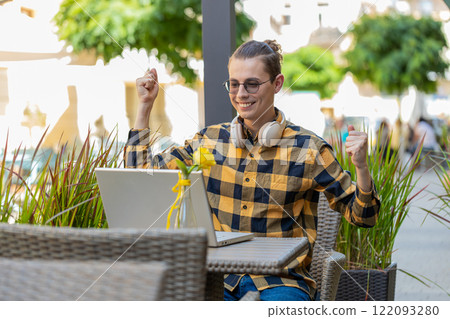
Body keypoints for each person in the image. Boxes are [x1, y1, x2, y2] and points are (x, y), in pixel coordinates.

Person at [124, 39, 380, 301]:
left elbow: (364, 217)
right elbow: (139, 174)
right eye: (233, 84)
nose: (241, 94)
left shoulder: (309, 149)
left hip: (282, 284)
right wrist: (144, 106)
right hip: (217, 281)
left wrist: (361, 167)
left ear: (277, 84)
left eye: (252, 84)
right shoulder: (208, 141)